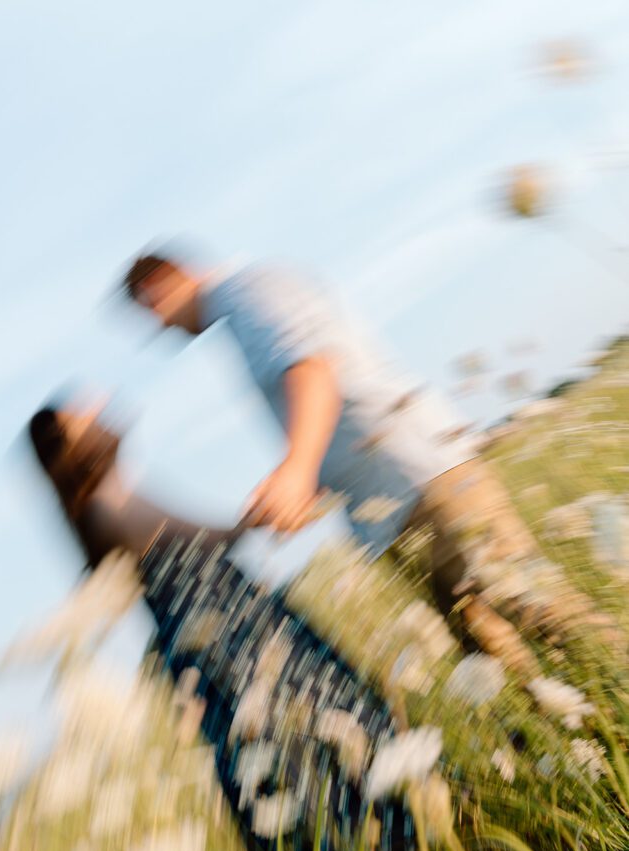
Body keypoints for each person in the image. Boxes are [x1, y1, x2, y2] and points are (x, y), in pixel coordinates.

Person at [118, 251, 619, 677]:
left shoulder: (247, 291)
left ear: (159, 285)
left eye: (151, 312)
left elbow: (311, 365)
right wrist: (312, 480)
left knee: (544, 614)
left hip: (420, 482)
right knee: (496, 662)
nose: (162, 327)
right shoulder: (238, 307)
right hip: (394, 505)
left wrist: (297, 467)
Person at [27, 400, 415, 851]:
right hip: (235, 640)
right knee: (314, 748)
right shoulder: (109, 500)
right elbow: (210, 536)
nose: (101, 408)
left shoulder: (100, 505)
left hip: (219, 643)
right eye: (87, 415)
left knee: (293, 765)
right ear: (72, 448)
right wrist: (271, 513)